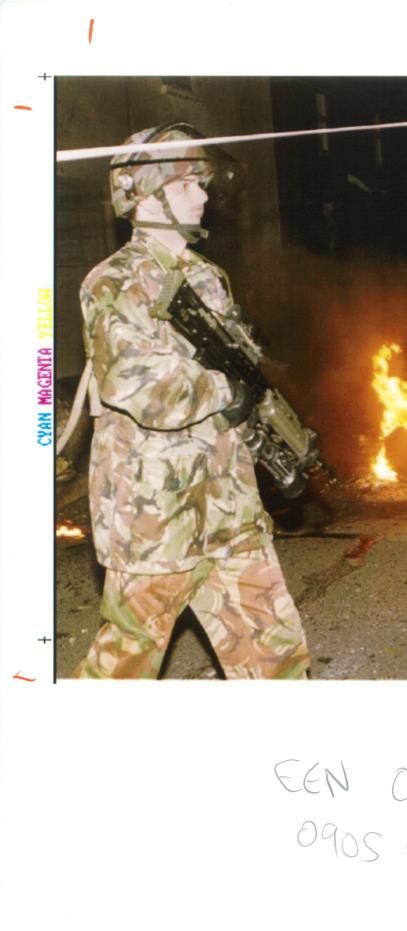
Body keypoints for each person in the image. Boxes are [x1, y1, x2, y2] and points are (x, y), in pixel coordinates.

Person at [71, 122, 310, 680]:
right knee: (123, 667)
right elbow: (141, 386)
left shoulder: (207, 277)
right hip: (156, 516)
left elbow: (240, 365)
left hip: (229, 509)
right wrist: (227, 391)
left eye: (201, 182)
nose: (201, 194)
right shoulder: (113, 282)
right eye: (185, 184)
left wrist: (261, 425)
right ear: (144, 196)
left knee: (277, 658)